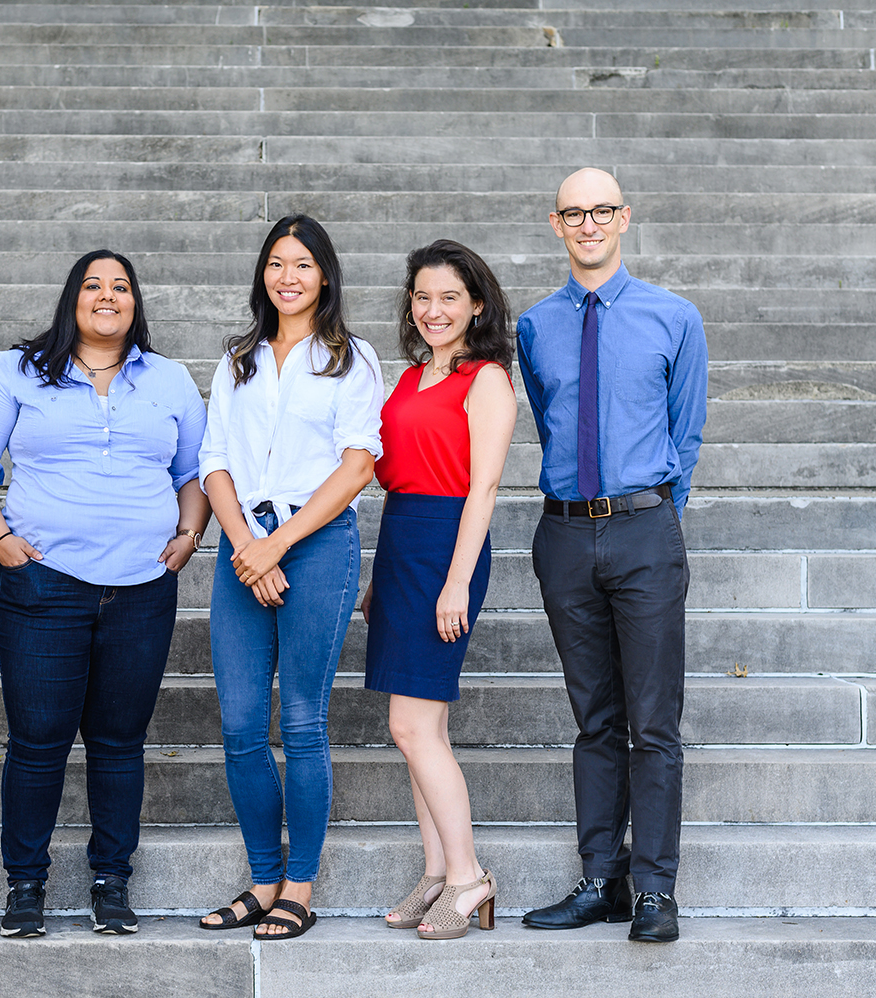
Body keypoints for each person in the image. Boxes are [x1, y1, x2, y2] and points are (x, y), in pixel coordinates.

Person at [0, 250, 210, 939]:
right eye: (93, 284)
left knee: (119, 742)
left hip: (143, 588)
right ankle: (25, 885)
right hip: (43, 585)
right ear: (72, 298)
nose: (106, 295)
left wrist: (189, 532)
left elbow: (196, 471)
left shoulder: (170, 379)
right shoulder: (19, 370)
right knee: (37, 742)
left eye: (120, 286)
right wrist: (0, 539)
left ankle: (111, 881)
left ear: (135, 303)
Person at [516, 168, 708, 943]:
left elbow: (685, 434)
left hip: (643, 529)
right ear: (555, 224)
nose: (588, 223)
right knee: (594, 719)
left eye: (601, 210)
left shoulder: (674, 317)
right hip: (563, 535)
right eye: (573, 213)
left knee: (652, 722)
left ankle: (655, 890)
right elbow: (547, 415)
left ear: (624, 218)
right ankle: (601, 879)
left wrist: (653, 519)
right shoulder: (534, 326)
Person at [197, 215, 384, 940]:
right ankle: (262, 879)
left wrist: (279, 546)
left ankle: (299, 885)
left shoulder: (350, 358)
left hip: (315, 543)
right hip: (243, 545)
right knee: (243, 726)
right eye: (277, 263)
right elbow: (213, 460)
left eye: (303, 264)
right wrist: (247, 542)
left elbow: (358, 464)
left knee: (301, 721)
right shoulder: (239, 357)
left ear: (325, 276)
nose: (288, 276)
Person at [363, 240, 516, 940]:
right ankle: (435, 872)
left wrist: (456, 579)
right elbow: (394, 476)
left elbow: (481, 486)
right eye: (422, 297)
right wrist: (375, 576)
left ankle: (468, 877)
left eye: (449, 297)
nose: (433, 310)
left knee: (410, 724)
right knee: (422, 731)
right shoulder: (407, 378)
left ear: (476, 304)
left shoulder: (485, 380)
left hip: (447, 545)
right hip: (401, 543)